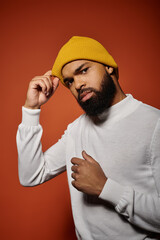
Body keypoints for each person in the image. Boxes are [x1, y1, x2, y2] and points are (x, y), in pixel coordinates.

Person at [16, 36, 160, 240]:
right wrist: (32, 109)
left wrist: (105, 188)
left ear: (109, 67)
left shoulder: (154, 124)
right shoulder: (77, 129)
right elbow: (31, 175)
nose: (78, 84)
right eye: (69, 81)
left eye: (83, 70)